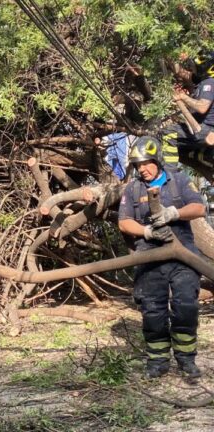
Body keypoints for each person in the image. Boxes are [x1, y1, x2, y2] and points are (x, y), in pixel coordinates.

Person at [118, 136, 206, 379]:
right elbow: (124, 222)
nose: (142, 169)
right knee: (153, 310)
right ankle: (157, 362)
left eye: (146, 163)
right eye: (138, 165)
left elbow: (199, 208)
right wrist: (146, 231)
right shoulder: (133, 188)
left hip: (182, 253)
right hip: (149, 254)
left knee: (186, 306)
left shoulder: (178, 180)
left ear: (157, 160)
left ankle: (186, 360)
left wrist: (174, 213)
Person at [161, 51, 214, 165]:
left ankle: (171, 171)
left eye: (195, 67)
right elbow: (181, 72)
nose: (192, 69)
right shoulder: (202, 81)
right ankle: (205, 155)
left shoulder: (209, 83)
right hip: (201, 129)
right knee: (179, 148)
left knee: (167, 134)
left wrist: (183, 97)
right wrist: (167, 53)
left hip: (206, 130)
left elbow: (202, 107)